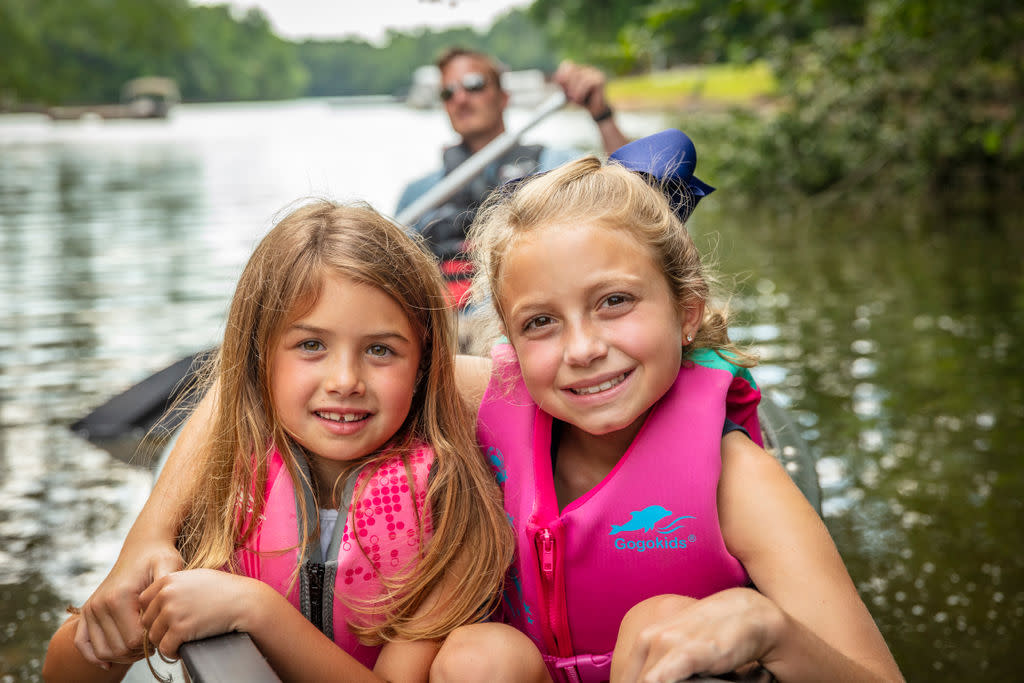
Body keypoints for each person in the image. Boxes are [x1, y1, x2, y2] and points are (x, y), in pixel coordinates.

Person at [64, 133, 903, 683]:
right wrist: (146, 542)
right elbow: (235, 401)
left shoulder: (737, 477)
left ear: (685, 312)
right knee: (479, 653)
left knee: (660, 620)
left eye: (615, 303)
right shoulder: (499, 397)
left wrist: (765, 626)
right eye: (541, 322)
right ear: (508, 339)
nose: (581, 349)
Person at [42, 201, 512, 682]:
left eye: (379, 350)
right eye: (311, 345)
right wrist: (108, 627)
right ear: (260, 356)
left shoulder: (449, 505)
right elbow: (70, 661)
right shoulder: (222, 487)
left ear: (421, 368)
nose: (345, 380)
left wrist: (256, 609)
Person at [396, 47, 629, 308]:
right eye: (448, 92)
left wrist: (602, 115)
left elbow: (638, 195)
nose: (460, 98)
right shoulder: (418, 194)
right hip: (448, 329)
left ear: (503, 97)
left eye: (474, 85)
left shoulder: (556, 166)